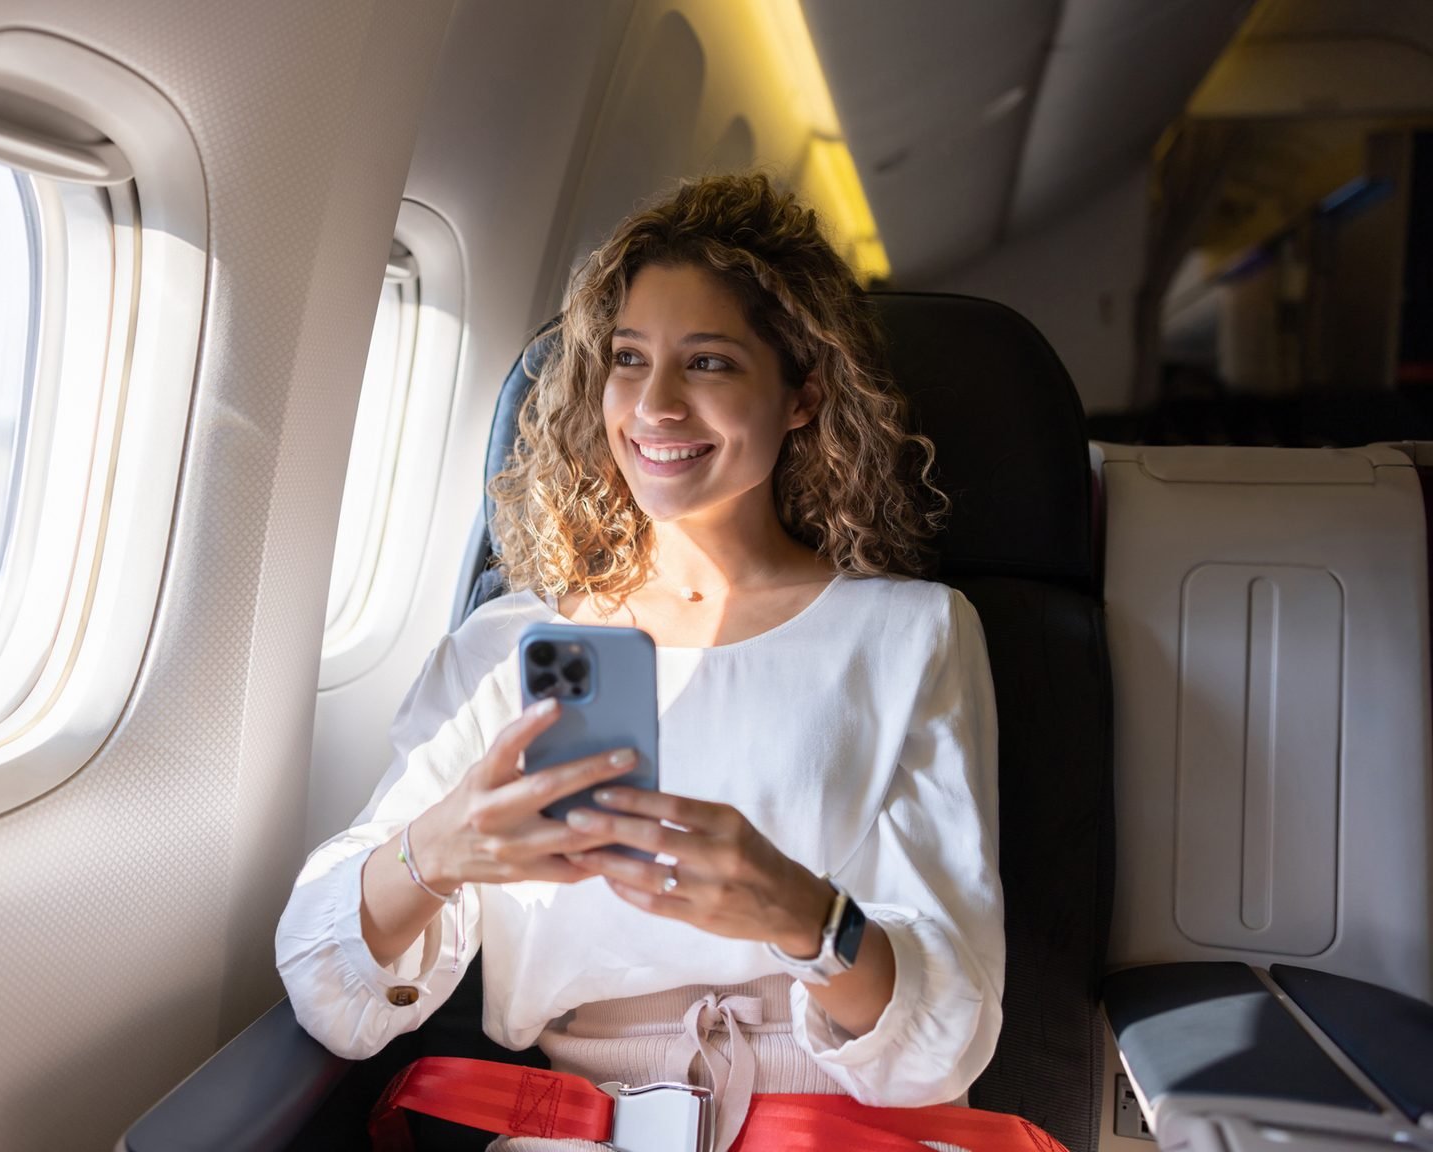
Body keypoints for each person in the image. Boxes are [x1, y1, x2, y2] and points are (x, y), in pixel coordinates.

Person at [276, 173, 1004, 1152]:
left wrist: (801, 914)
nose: (656, 405)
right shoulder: (514, 646)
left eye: (707, 362)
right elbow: (331, 993)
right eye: (628, 360)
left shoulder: (910, 637)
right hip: (578, 1133)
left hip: (834, 1128)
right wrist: (439, 850)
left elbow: (950, 1039)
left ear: (803, 395)